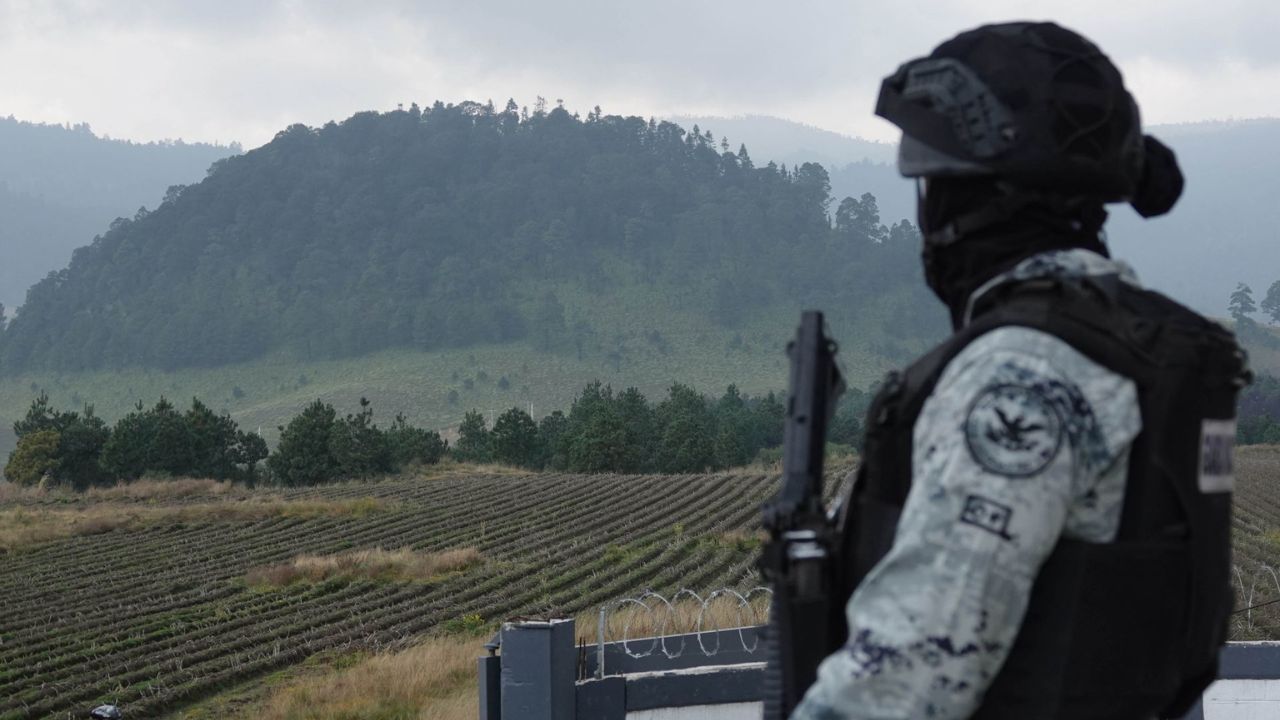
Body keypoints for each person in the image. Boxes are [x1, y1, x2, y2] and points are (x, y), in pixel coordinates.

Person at [790, 21, 1250, 720]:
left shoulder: (1024, 373)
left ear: (972, 197)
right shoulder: (1145, 353)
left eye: (934, 184)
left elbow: (908, 675)